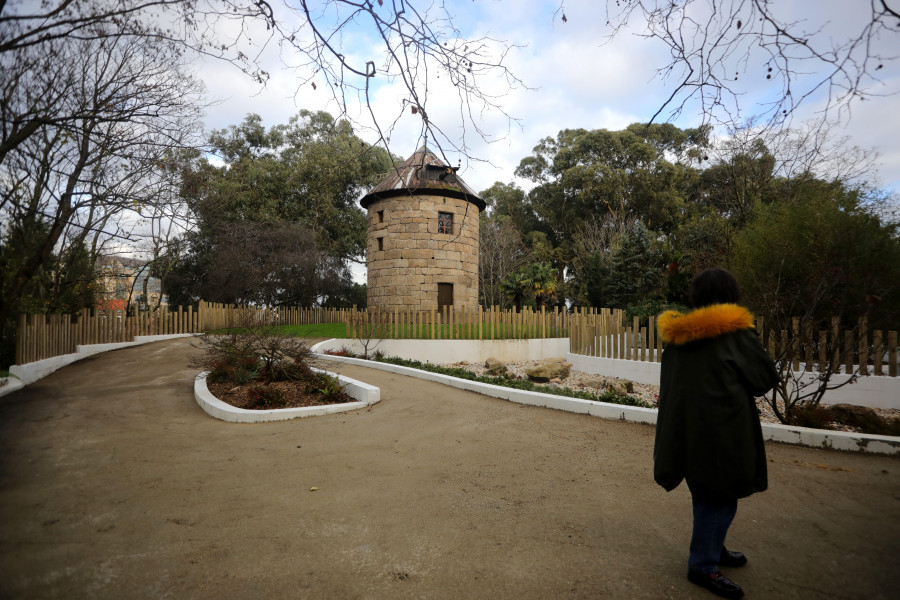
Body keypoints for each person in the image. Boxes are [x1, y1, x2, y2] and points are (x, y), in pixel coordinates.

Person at [654, 269, 778, 600]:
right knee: (720, 498)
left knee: (707, 493)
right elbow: (764, 378)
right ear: (731, 295)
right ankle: (703, 565)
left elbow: (671, 390)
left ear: (696, 296)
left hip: (689, 432)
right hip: (724, 432)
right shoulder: (735, 335)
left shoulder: (677, 339)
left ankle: (713, 547)